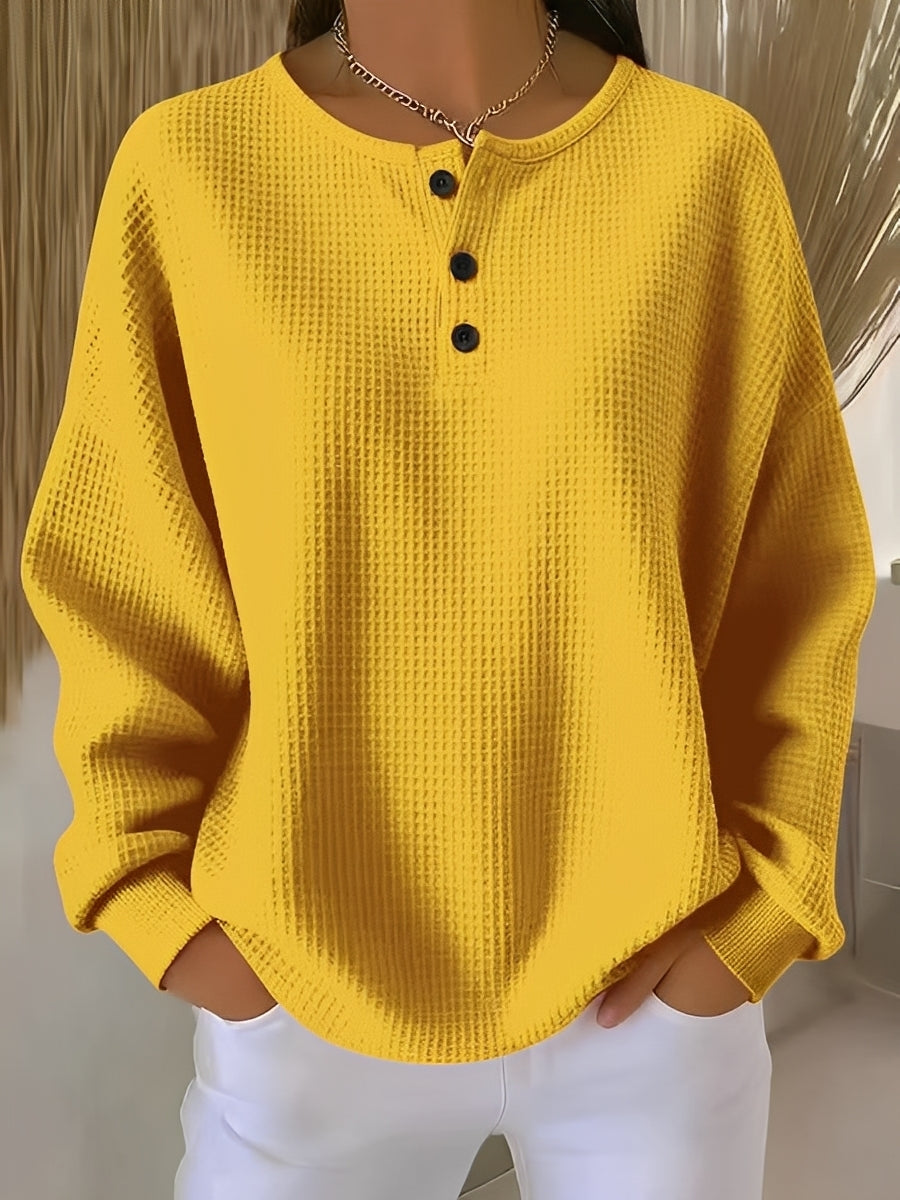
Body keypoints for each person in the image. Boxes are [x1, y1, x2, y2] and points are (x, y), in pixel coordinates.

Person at [18, 1, 876, 1197]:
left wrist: (751, 927)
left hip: (649, 1012)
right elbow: (122, 576)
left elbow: (795, 572)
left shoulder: (704, 165)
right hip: (299, 1002)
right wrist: (166, 914)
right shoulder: (191, 168)